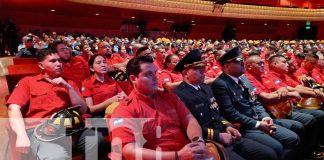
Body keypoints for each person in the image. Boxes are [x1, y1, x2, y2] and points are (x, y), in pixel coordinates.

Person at [174, 49, 278, 160]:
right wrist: (218, 135)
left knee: (269, 154)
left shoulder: (205, 88)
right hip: (208, 141)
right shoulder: (180, 95)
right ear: (185, 73)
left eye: (203, 69)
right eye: (198, 70)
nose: (203, 73)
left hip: (226, 133)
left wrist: (228, 126)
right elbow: (188, 127)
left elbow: (217, 114)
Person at [6, 48, 100, 160]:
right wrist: (21, 134)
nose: (59, 64)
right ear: (41, 65)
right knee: (57, 157)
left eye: (59, 60)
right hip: (41, 130)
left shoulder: (69, 82)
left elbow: (83, 110)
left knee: (98, 141)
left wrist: (68, 87)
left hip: (71, 128)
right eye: (53, 61)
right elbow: (13, 108)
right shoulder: (28, 82)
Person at [110, 56, 207, 159]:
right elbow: (128, 150)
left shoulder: (170, 97)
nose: (156, 78)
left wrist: (198, 140)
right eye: (149, 74)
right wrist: (177, 156)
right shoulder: (124, 110)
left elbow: (189, 119)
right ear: (134, 79)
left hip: (188, 152)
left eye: (155, 73)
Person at [211, 47, 300, 160]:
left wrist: (265, 118)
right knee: (280, 146)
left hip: (258, 120)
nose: (242, 63)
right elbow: (231, 113)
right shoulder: (221, 84)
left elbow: (255, 102)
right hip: (244, 127)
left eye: (242, 60)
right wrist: (258, 124)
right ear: (226, 66)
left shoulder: (243, 79)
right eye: (238, 61)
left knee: (294, 136)